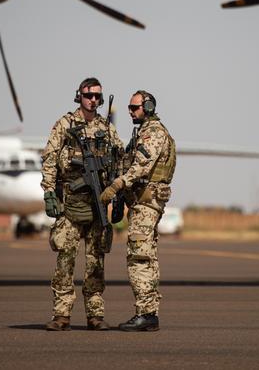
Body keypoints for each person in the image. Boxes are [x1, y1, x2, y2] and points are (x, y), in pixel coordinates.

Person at [41, 77, 123, 331]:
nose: (94, 100)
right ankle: (61, 314)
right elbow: (49, 159)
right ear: (79, 96)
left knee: (95, 262)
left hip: (97, 204)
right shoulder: (65, 124)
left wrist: (119, 196)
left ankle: (95, 315)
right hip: (71, 203)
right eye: (89, 95)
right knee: (65, 260)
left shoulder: (107, 129)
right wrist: (48, 192)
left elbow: (119, 161)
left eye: (98, 96)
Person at [100, 90, 176, 332]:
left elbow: (141, 167)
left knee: (138, 257)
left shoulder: (153, 133)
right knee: (148, 256)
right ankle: (149, 313)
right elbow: (127, 161)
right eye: (129, 108)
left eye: (135, 108)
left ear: (149, 107)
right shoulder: (141, 132)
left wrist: (117, 185)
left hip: (147, 203)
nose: (130, 112)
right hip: (142, 202)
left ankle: (145, 313)